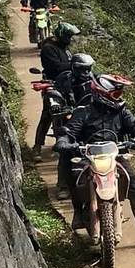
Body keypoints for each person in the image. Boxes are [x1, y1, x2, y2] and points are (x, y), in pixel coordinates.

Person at [56, 75, 135, 248]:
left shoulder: (122, 112)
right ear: (103, 94)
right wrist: (65, 141)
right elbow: (70, 131)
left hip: (115, 156)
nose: (119, 98)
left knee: (134, 186)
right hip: (89, 157)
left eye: (119, 94)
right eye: (116, 94)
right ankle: (78, 211)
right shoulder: (83, 112)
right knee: (74, 174)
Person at [50, 52, 97, 197]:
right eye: (82, 69)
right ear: (74, 68)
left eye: (88, 68)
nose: (86, 72)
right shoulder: (64, 79)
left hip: (90, 118)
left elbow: (105, 91)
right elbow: (55, 94)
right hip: (69, 119)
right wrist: (56, 104)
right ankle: (63, 186)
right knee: (65, 151)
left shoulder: (95, 79)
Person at [31, 23, 81, 157]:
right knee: (48, 112)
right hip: (53, 84)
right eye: (69, 36)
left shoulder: (65, 49)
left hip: (68, 84)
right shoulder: (48, 49)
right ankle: (37, 146)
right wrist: (73, 65)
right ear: (62, 36)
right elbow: (56, 67)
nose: (70, 39)